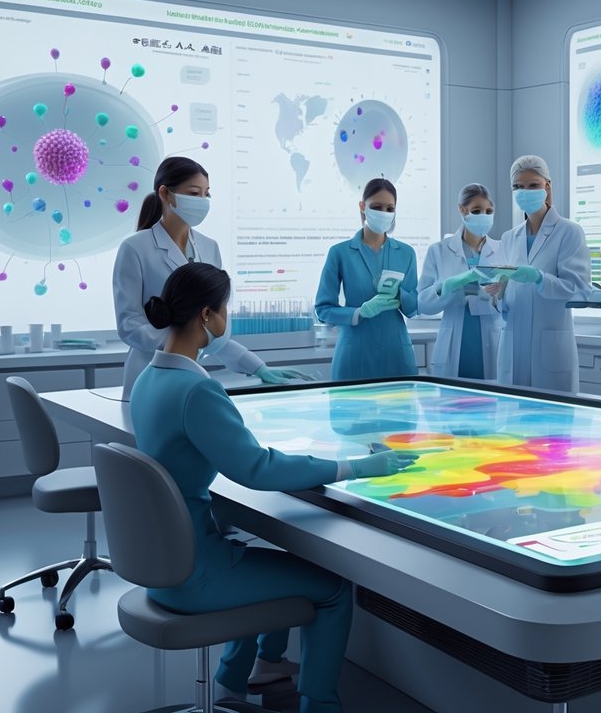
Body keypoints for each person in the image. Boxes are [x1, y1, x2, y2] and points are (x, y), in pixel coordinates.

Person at [130, 262, 417, 712]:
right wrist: (355, 466)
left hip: (162, 563)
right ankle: (319, 704)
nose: (227, 318)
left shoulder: (148, 379)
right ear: (207, 315)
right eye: (226, 309)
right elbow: (257, 469)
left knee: (267, 556)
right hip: (196, 571)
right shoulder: (197, 391)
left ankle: (241, 674)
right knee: (333, 590)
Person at [113, 156, 310, 401]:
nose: (202, 201)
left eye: (206, 194)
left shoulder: (209, 247)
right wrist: (184, 340)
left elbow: (213, 324)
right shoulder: (135, 248)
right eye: (194, 193)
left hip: (190, 375)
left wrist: (257, 367)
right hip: (147, 374)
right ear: (165, 193)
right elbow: (129, 325)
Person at [490, 155, 591, 393]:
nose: (525, 192)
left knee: (551, 414)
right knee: (512, 411)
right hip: (513, 343)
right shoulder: (509, 238)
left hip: (550, 348)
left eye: (533, 185)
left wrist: (539, 278)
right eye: (518, 187)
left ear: (547, 186)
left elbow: (578, 290)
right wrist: (498, 292)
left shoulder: (569, 232)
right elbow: (504, 299)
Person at [315, 178, 419, 381]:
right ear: (362, 206)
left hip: (396, 352)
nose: (383, 212)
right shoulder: (340, 253)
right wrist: (359, 312)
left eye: (390, 208)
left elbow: (413, 308)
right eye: (377, 207)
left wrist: (399, 295)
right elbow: (323, 310)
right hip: (355, 354)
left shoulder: (406, 253)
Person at [418, 183, 504, 380]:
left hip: (492, 341)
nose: (484, 216)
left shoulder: (502, 249)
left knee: (492, 394)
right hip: (455, 343)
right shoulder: (439, 251)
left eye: (489, 211)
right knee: (454, 396)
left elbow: (512, 300)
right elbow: (423, 304)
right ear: (462, 209)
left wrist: (496, 294)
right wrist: (448, 287)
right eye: (477, 210)